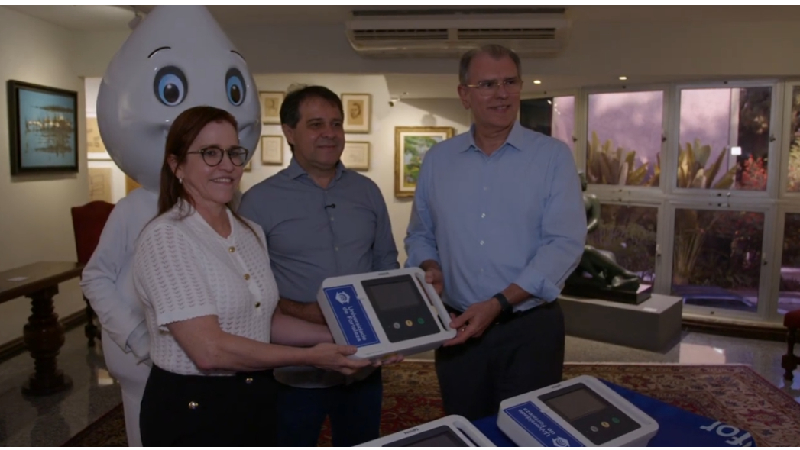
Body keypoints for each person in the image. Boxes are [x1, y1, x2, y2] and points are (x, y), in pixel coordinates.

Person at [133, 106, 372, 447]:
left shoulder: (249, 232)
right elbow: (209, 351)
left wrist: (349, 339)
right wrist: (310, 356)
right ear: (177, 166)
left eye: (233, 153)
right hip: (194, 409)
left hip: (256, 397)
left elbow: (264, 321)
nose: (227, 165)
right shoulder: (167, 237)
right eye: (210, 154)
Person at [79, 6, 262, 446]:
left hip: (224, 367)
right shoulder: (136, 209)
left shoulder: (236, 212)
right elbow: (96, 275)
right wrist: (137, 339)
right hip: (148, 364)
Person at [404, 44, 588, 421]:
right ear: (464, 94)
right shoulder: (439, 160)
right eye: (487, 84)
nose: (501, 93)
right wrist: (430, 266)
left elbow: (564, 243)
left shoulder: (552, 157)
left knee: (530, 432)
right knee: (465, 428)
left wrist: (500, 303)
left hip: (529, 329)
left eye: (509, 82)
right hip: (456, 329)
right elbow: (420, 233)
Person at [238, 85, 400, 447]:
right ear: (289, 132)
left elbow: (386, 266)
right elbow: (249, 292)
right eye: (316, 124)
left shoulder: (368, 192)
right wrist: (311, 314)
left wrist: (393, 330)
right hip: (294, 371)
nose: (329, 133)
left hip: (363, 367)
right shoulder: (258, 202)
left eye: (336, 123)